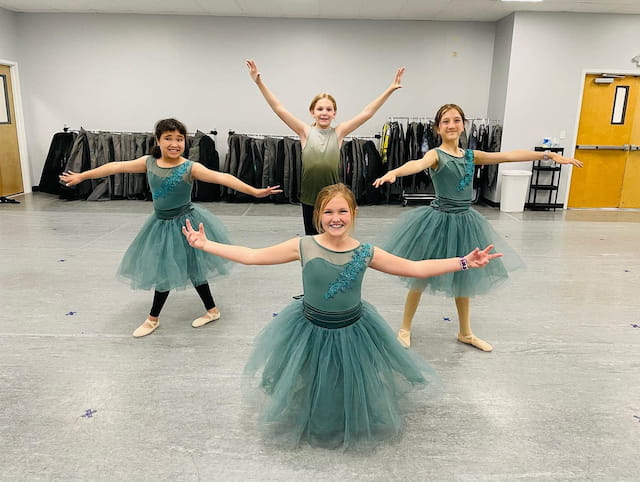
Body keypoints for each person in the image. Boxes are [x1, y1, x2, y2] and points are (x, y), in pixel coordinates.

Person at [182, 183, 501, 449]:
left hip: (353, 328)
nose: (336, 218)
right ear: (318, 216)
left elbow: (414, 268)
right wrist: (207, 245)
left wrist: (462, 262)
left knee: (349, 376)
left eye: (342, 211)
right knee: (313, 374)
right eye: (328, 212)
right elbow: (252, 256)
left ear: (354, 214)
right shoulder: (303, 245)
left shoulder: (366, 252)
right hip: (308, 326)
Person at [373, 103, 583, 352]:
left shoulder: (472, 156)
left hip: (465, 222)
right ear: (437, 128)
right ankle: (405, 327)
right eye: (445, 121)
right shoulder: (436, 155)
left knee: (465, 277)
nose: (451, 125)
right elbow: (417, 164)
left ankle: (465, 332)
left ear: (463, 125)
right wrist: (394, 172)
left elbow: (506, 156)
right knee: (421, 274)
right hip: (438, 222)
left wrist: (546, 155)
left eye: (456, 120)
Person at [59, 118, 281, 338]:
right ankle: (207, 311)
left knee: (188, 269)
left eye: (179, 139)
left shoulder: (190, 167)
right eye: (168, 138)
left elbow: (221, 177)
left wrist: (254, 191)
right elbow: (115, 166)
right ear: (158, 140)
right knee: (169, 269)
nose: (174, 143)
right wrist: (82, 176)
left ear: (185, 142)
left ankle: (155, 318)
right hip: (160, 224)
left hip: (186, 224)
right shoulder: (149, 162)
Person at [246, 59, 405, 235]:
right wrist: (259, 82)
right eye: (320, 109)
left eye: (329, 109)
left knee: (332, 239)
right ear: (312, 112)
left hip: (332, 199)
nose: (324, 113)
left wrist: (390, 89)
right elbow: (279, 108)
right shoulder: (304, 131)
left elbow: (367, 112)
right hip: (309, 199)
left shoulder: (339, 133)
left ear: (334, 113)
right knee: (312, 240)